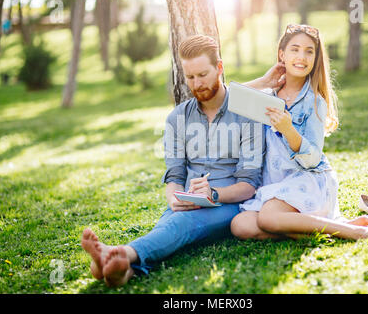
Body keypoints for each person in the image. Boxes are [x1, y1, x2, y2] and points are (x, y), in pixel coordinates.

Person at [81, 34, 265, 287]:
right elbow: (175, 174)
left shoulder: (247, 114)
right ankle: (123, 272)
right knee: (172, 225)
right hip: (188, 203)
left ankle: (123, 253)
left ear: (219, 68)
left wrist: (213, 194)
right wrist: (174, 199)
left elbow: (249, 185)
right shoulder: (177, 118)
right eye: (190, 77)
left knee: (179, 225)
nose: (196, 84)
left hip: (229, 204)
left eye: (202, 75)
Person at [230, 24, 368, 243]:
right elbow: (224, 100)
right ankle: (327, 226)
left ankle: (355, 232)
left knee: (268, 217)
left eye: (309, 51)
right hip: (275, 185)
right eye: (294, 49)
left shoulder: (314, 102)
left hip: (307, 180)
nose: (301, 57)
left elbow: (313, 158)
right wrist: (263, 82)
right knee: (240, 225)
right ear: (282, 55)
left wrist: (289, 130)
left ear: (316, 59)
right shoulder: (268, 95)